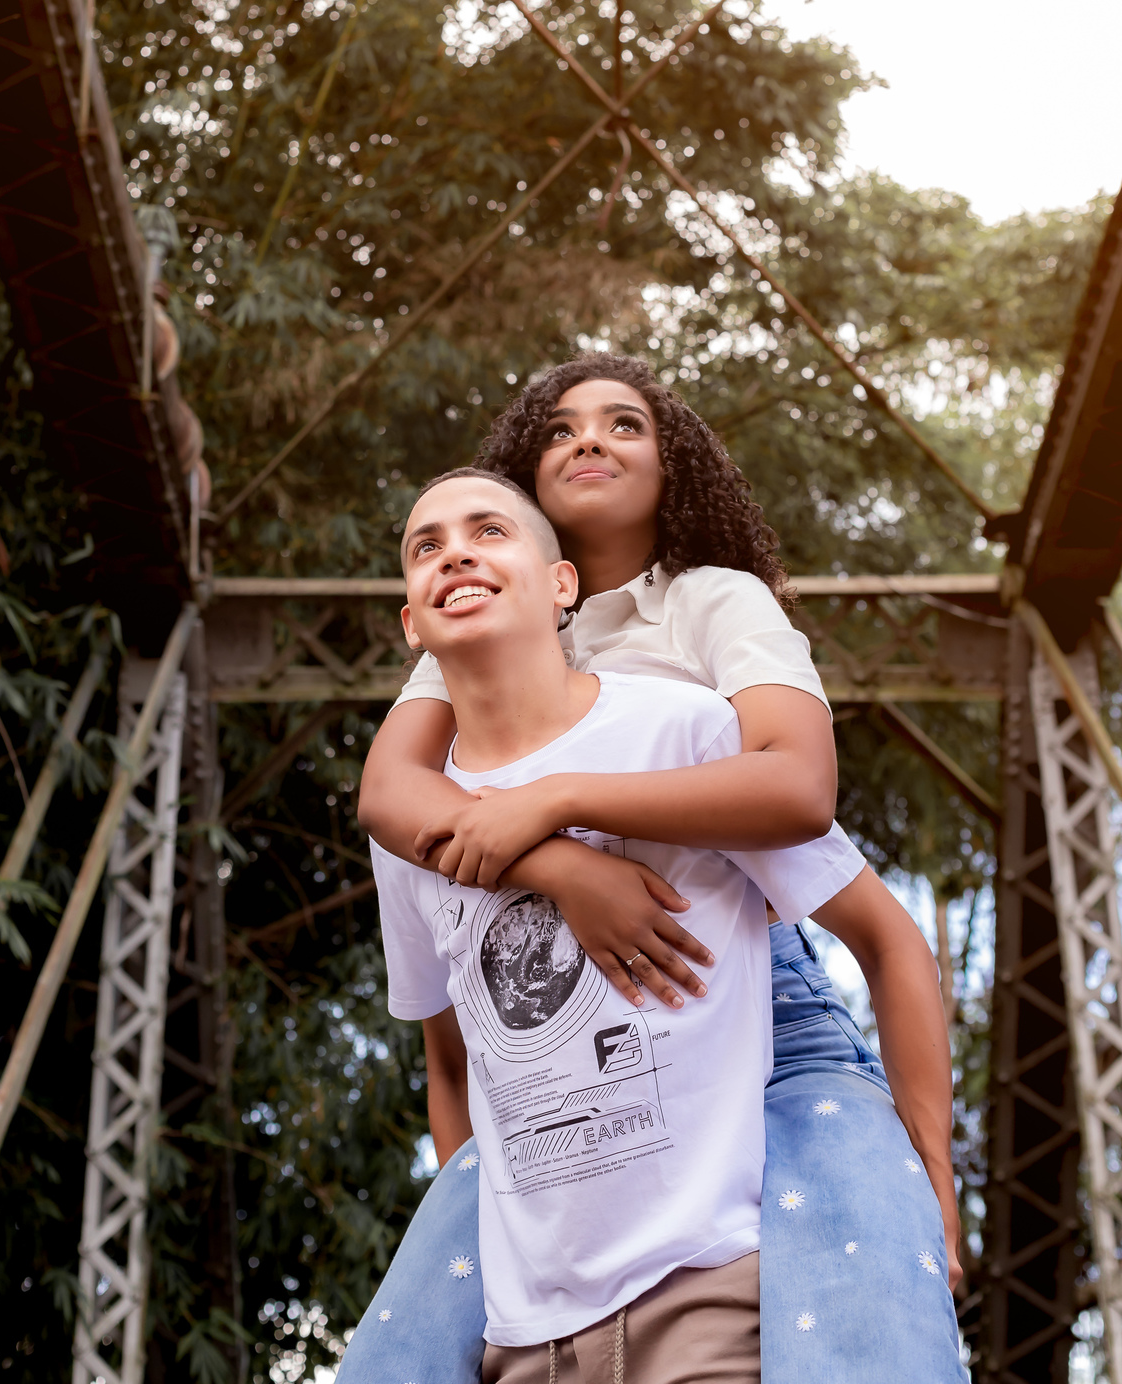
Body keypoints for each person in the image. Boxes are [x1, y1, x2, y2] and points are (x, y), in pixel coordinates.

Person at [340, 356, 965, 1383]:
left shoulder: (709, 605)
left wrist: (563, 798)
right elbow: (393, 799)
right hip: (549, 1044)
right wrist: (561, 867)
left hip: (748, 990)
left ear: (675, 470)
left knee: (871, 1321)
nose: (587, 439)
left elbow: (797, 785)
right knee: (404, 1347)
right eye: (558, 429)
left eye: (623, 424)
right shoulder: (481, 610)